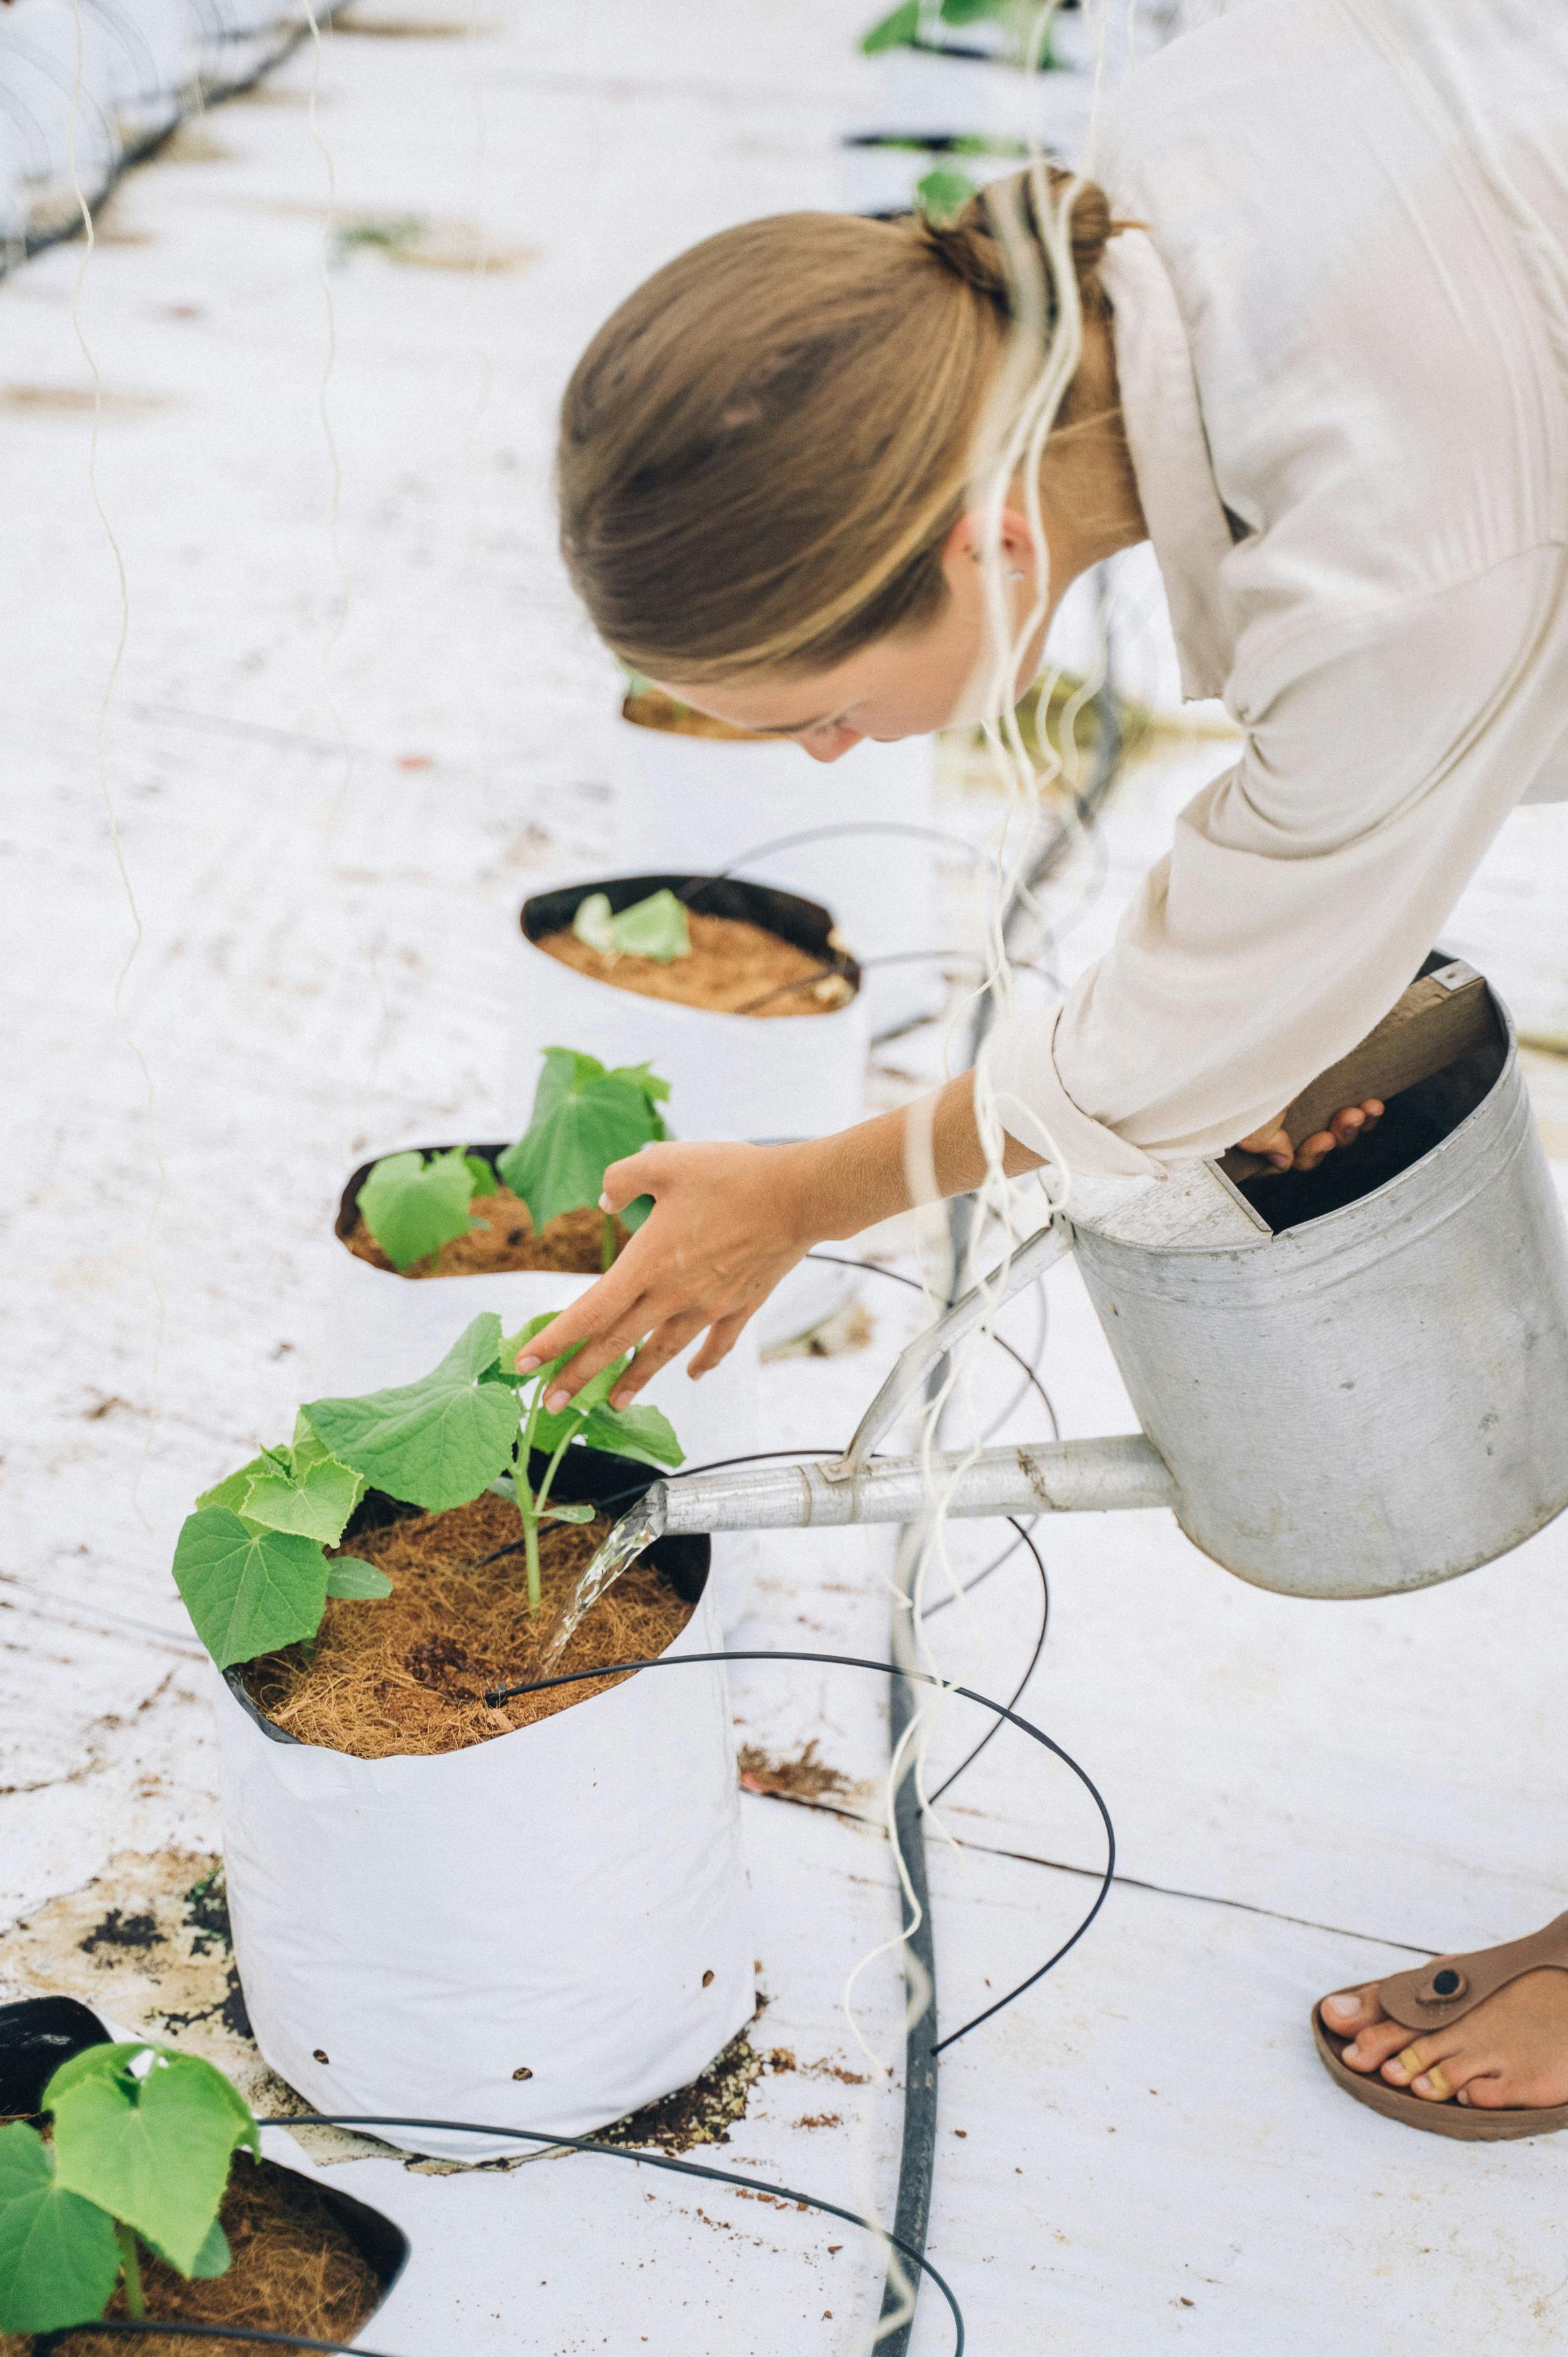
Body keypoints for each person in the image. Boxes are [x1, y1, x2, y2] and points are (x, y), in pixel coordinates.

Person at [522, 0, 1568, 2135]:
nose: (821, 757)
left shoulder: (1393, 533)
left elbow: (1192, 1031)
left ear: (982, 542)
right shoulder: (1181, 132)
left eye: (813, 700)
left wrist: (810, 1190)